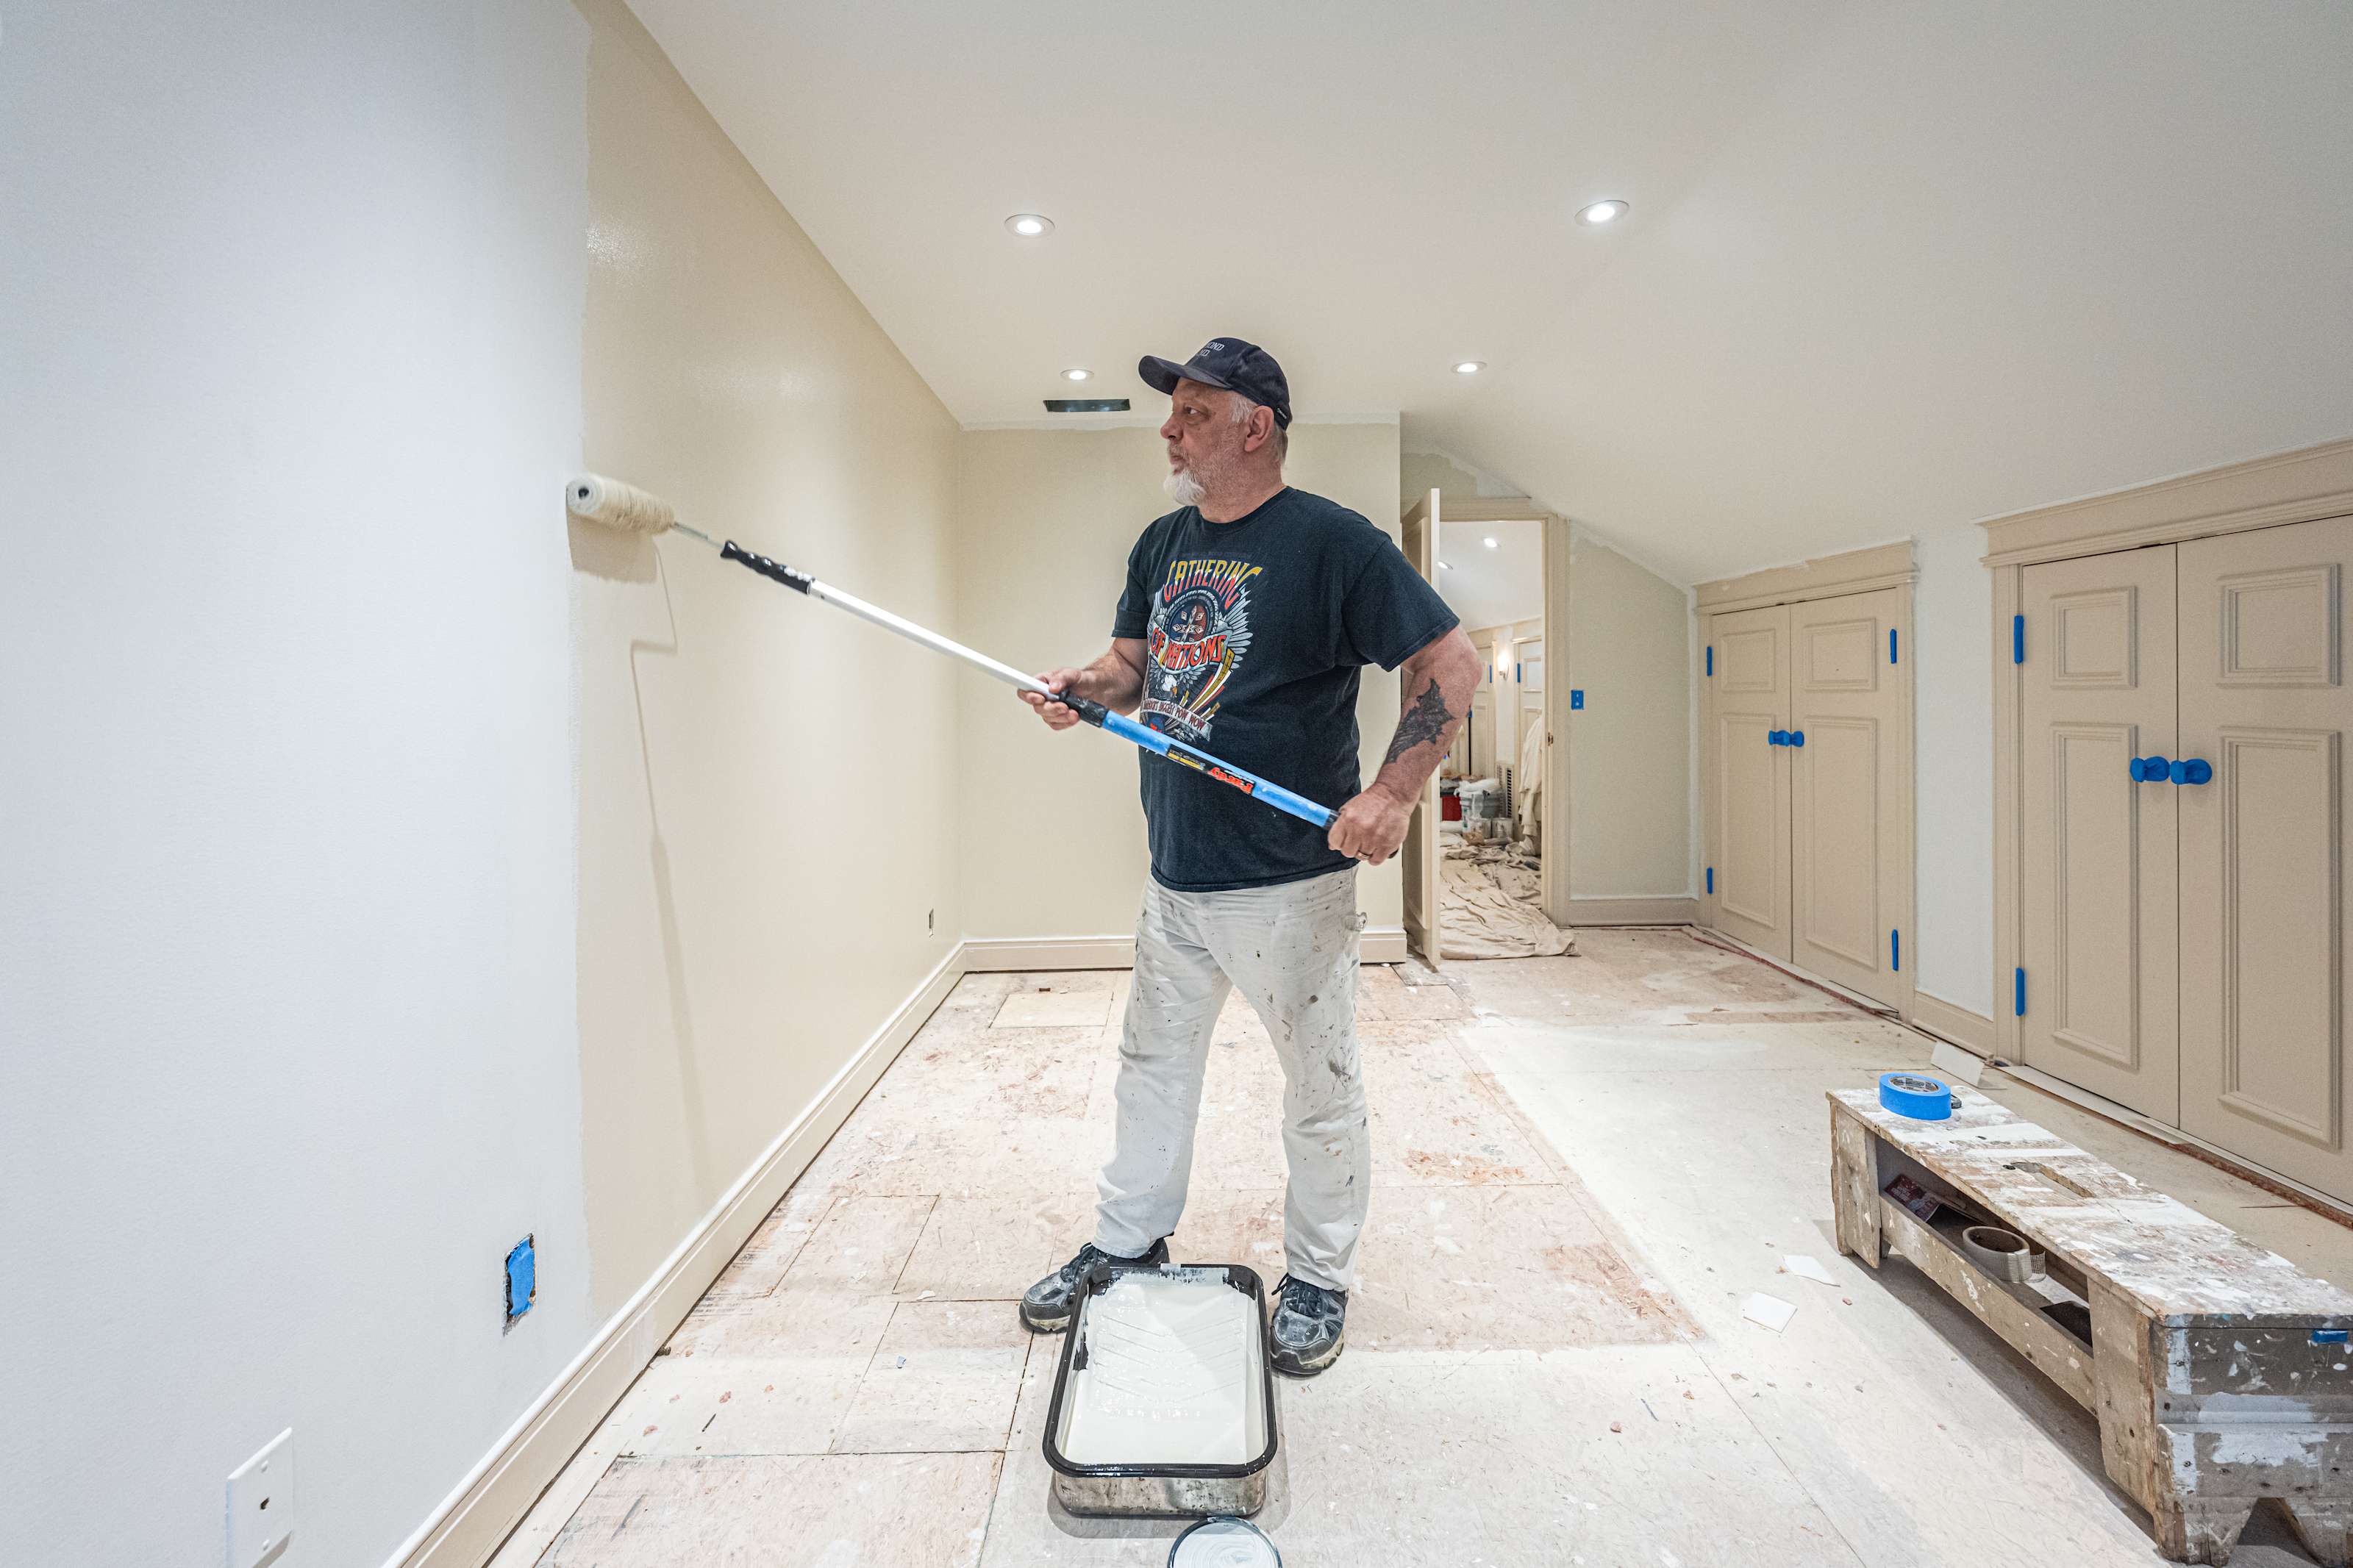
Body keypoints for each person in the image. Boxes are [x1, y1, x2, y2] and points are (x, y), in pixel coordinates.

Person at [1015, 337, 1480, 1375]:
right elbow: (1135, 666)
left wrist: (1394, 791)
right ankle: (1128, 1237)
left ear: (1255, 425)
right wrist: (1082, 690)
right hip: (1175, 872)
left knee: (1319, 1086)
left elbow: (1449, 659)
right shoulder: (1162, 541)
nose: (1170, 429)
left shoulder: (1335, 545)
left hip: (1288, 883)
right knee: (1151, 1071)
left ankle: (1317, 1277)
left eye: (1191, 410)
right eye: (1173, 413)